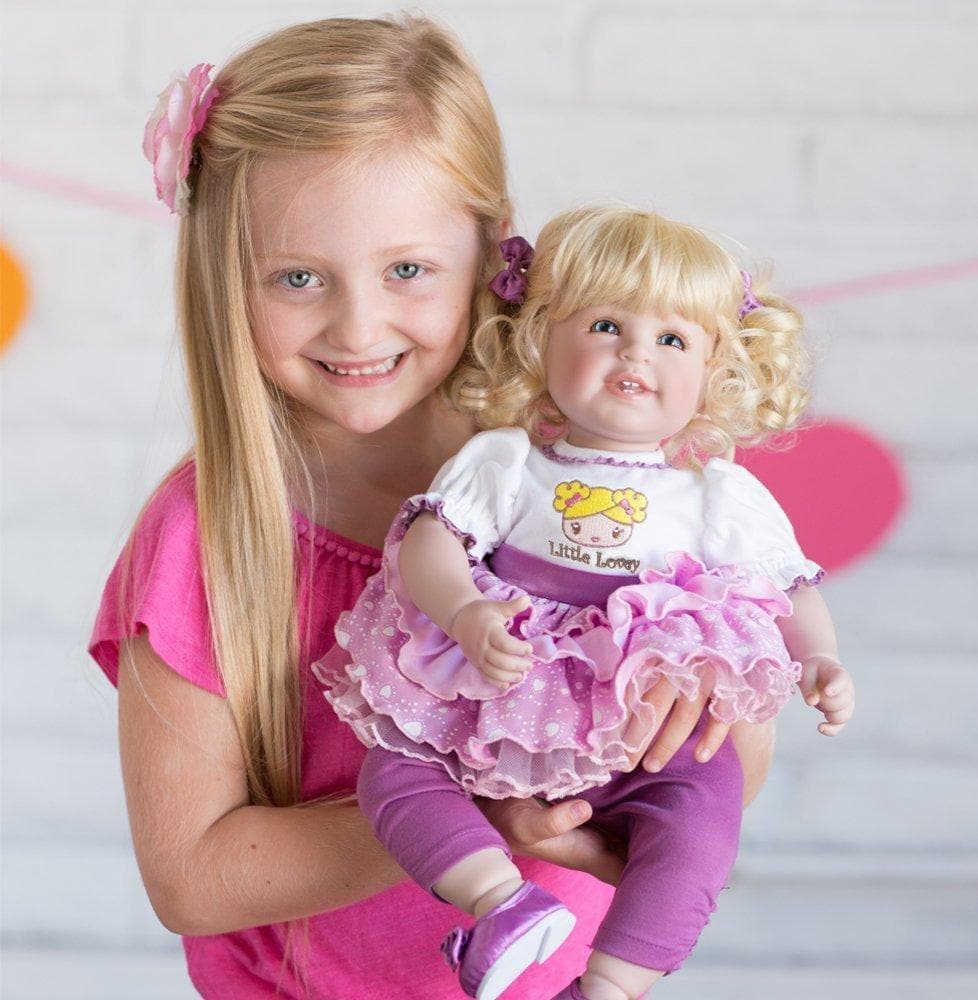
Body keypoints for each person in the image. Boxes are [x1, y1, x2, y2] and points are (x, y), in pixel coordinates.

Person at [88, 17, 779, 999]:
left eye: (407, 270)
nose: (358, 326)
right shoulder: (206, 532)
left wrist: (663, 751)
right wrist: (475, 810)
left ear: (494, 251)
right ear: (223, 278)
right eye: (297, 277)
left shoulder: (601, 482)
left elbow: (730, 764)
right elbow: (193, 877)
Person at [320, 206, 856, 1000]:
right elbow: (430, 541)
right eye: (606, 325)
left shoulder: (717, 495)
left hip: (646, 730)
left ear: (714, 370)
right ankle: (501, 904)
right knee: (396, 771)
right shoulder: (507, 461)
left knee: (703, 820)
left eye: (672, 339)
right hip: (505, 702)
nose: (636, 352)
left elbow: (787, 588)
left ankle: (608, 984)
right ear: (543, 338)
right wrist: (464, 610)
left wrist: (821, 657)